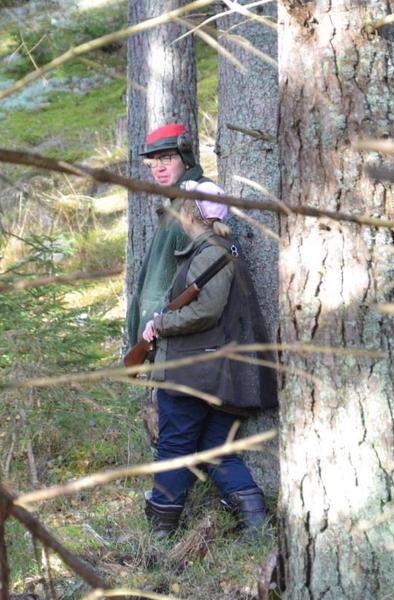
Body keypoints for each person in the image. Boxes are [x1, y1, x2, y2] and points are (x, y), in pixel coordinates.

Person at [139, 197, 278, 539]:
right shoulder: (219, 250)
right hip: (221, 374)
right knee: (214, 450)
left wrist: (161, 323)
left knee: (174, 448)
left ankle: (159, 534)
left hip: (196, 372)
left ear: (190, 214)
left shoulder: (210, 253)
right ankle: (256, 525)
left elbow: (206, 310)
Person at [125, 123, 230, 350]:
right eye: (153, 162)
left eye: (167, 158)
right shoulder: (177, 202)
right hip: (161, 340)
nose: (158, 168)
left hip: (178, 344)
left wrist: (160, 324)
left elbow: (196, 285)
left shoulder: (199, 200)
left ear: (186, 158)